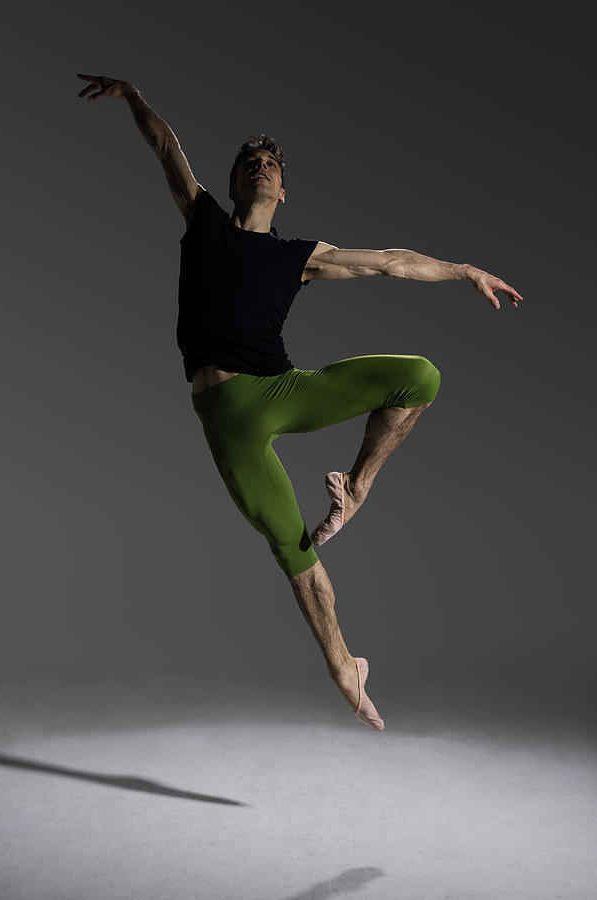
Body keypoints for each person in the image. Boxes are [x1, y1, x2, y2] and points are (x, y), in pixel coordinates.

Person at [77, 74, 523, 731]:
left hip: (281, 390)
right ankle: (348, 669)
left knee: (419, 376)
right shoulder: (202, 219)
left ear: (282, 189)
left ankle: (359, 489)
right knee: (295, 555)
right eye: (250, 163)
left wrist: (465, 271)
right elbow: (166, 147)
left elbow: (390, 262)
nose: (261, 168)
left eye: (272, 165)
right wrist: (135, 97)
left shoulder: (299, 256)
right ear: (233, 185)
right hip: (227, 417)